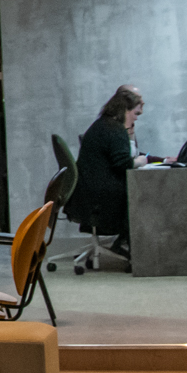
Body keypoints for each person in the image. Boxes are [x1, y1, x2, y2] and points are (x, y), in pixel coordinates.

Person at [66, 83, 144, 259]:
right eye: (135, 114)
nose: (137, 119)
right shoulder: (115, 130)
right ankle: (130, 246)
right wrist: (139, 161)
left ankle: (123, 243)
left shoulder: (104, 125)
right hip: (101, 197)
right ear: (126, 110)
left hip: (89, 192)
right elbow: (123, 164)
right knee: (142, 195)